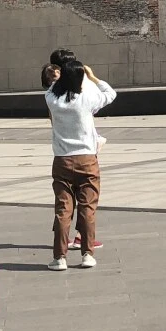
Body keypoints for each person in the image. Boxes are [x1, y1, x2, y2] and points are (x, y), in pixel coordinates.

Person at [44, 58, 115, 271]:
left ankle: (59, 257)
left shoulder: (51, 99)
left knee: (63, 210)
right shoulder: (86, 98)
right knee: (87, 208)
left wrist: (64, 76)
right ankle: (87, 254)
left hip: (62, 161)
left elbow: (53, 86)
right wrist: (92, 77)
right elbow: (110, 93)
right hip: (87, 160)